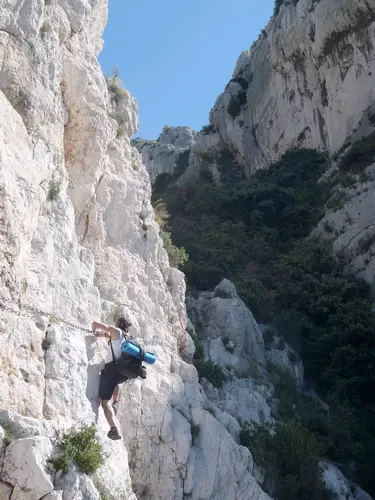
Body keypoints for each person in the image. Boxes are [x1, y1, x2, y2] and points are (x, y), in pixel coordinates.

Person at [92, 316, 132, 440]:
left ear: (118, 323)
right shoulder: (127, 336)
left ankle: (113, 429)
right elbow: (111, 338)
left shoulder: (117, 332)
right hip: (122, 372)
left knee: (104, 402)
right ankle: (115, 401)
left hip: (111, 370)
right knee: (116, 382)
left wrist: (94, 330)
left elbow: (96, 324)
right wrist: (102, 334)